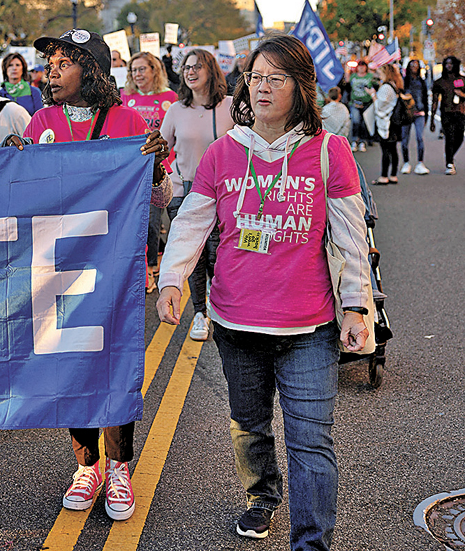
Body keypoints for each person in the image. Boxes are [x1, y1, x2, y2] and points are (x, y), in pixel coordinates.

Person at [157, 33, 370, 550]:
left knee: (311, 443)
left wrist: (356, 307)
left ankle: (311, 542)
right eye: (256, 77)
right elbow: (191, 221)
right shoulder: (222, 153)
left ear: (300, 87)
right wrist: (171, 277)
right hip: (236, 323)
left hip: (309, 327)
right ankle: (261, 495)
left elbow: (350, 235)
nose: (264, 88)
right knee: (248, 426)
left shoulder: (329, 151)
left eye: (277, 78)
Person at [23, 28, 171, 523]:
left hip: (114, 270)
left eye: (64, 62)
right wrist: (13, 161)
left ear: (91, 70)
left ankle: (120, 467)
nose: (52, 71)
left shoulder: (128, 120)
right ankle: (87, 466)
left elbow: (161, 199)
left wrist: (153, 171)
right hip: (55, 270)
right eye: (51, 62)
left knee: (114, 364)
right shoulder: (40, 120)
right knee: (70, 365)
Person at [159, 48, 235, 341]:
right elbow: (162, 148)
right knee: (194, 258)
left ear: (211, 71)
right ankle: (200, 313)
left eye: (197, 67)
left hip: (222, 194)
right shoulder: (176, 110)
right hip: (184, 191)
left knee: (219, 255)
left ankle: (222, 310)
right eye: (186, 67)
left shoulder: (229, 107)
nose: (190, 72)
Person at [121, 51, 179, 291]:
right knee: (139, 224)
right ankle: (144, 268)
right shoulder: (125, 97)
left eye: (142, 69)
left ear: (154, 70)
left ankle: (153, 267)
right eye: (134, 70)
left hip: (160, 170)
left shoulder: (170, 97)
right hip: (132, 171)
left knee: (154, 222)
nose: (137, 74)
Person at [430, 55, 465, 175]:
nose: (449, 66)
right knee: (449, 137)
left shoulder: (462, 79)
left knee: (459, 137)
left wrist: (462, 95)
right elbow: (434, 101)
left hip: (460, 112)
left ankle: (450, 154)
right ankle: (449, 163)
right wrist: (432, 120)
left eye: (451, 63)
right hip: (446, 113)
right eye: (446, 64)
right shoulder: (440, 82)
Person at [369, 63, 401, 185]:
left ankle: (384, 176)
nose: (378, 75)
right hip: (393, 121)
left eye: (380, 72)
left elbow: (379, 106)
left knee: (386, 149)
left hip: (386, 123)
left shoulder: (385, 88)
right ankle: (393, 175)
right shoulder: (394, 85)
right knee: (393, 149)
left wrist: (372, 95)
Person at [400, 59, 429, 175]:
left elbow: (425, 98)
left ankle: (420, 162)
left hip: (420, 113)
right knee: (404, 140)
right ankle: (406, 162)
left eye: (416, 65)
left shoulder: (422, 82)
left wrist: (427, 115)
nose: (414, 67)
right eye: (412, 65)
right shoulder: (404, 81)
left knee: (420, 138)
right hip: (406, 113)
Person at [348, 61, 375, 151]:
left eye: (363, 66)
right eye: (359, 66)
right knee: (356, 121)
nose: (361, 68)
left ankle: (363, 141)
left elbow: (376, 84)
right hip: (355, 103)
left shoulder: (370, 76)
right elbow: (347, 81)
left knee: (364, 123)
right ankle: (355, 140)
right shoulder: (353, 76)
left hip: (366, 103)